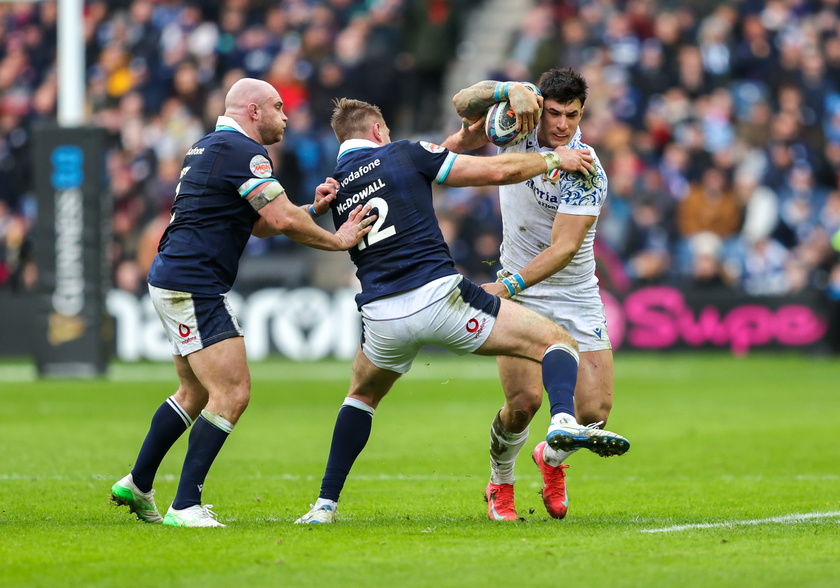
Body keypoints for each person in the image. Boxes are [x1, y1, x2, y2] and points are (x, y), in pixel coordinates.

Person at [294, 97, 629, 524]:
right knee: (557, 344)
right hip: (439, 299)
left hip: (381, 315)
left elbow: (418, 163)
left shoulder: (335, 187)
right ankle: (559, 422)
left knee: (360, 396)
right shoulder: (405, 153)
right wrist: (551, 159)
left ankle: (324, 505)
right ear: (379, 131)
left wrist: (465, 137)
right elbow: (494, 170)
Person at [110, 78, 374, 528]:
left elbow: (257, 225)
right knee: (232, 392)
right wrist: (337, 239)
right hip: (192, 283)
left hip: (176, 277)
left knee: (194, 392)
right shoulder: (244, 152)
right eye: (277, 106)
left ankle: (137, 482)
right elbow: (275, 216)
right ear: (253, 111)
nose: (285, 115)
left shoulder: (206, 147)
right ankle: (185, 506)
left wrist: (308, 210)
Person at [441, 68, 625, 521]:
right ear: (542, 106)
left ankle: (550, 458)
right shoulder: (515, 125)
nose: (563, 125)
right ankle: (500, 481)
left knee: (595, 415)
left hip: (573, 292)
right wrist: (507, 90)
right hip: (524, 293)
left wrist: (505, 287)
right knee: (523, 404)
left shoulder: (587, 168)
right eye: (556, 113)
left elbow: (563, 249)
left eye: (574, 115)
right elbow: (463, 111)